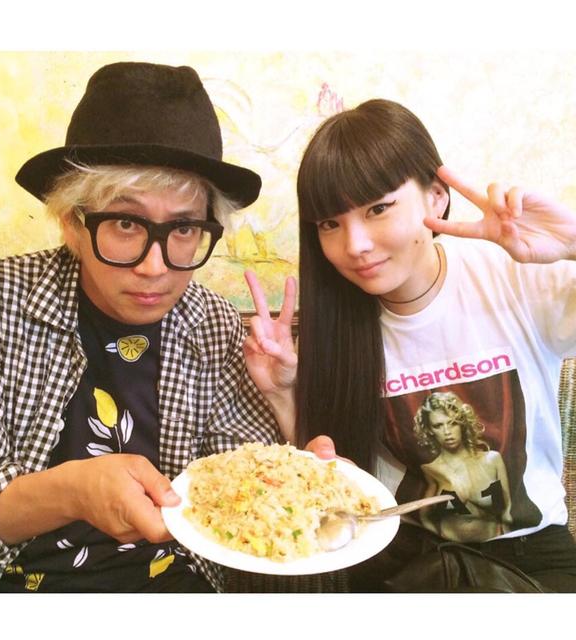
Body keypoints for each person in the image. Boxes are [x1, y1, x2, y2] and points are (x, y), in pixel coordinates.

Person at [0, 61, 284, 593]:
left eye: (184, 228)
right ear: (72, 222)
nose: (155, 267)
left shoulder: (212, 322)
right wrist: (71, 492)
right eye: (125, 223)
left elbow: (246, 482)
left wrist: (289, 402)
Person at [244, 98, 576, 591]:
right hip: (402, 561)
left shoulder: (517, 277)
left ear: (435, 198)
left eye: (378, 209)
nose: (355, 245)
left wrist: (574, 245)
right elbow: (336, 475)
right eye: (330, 223)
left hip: (530, 560)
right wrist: (283, 393)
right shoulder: (337, 322)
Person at [413, 391, 513, 541]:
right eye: (438, 425)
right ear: (430, 430)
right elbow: (424, 516)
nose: (447, 432)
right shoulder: (431, 469)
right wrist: (439, 540)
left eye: (452, 423)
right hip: (452, 548)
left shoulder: (493, 460)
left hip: (495, 543)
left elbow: (507, 509)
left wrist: (506, 538)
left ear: (462, 423)